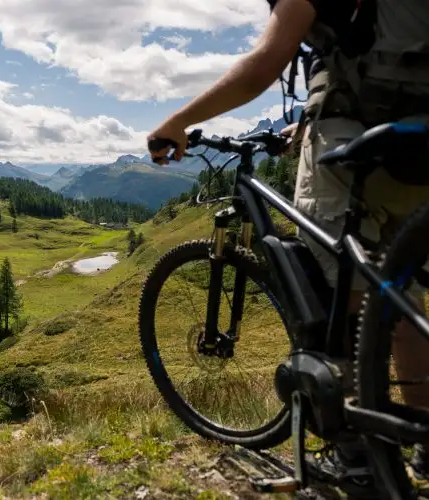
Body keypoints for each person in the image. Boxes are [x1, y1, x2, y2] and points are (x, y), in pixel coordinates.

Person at [147, 0, 429, 496]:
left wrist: (178, 120)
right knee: (400, 299)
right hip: (419, 143)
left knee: (339, 302)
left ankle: (357, 457)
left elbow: (263, 62)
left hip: (355, 155)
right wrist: (306, 120)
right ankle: (423, 439)